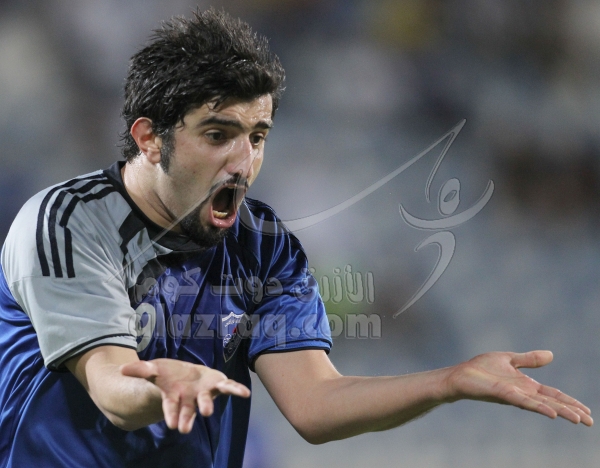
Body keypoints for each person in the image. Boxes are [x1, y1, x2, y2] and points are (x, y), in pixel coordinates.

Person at [0, 8, 592, 468]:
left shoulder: (262, 244)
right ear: (150, 139)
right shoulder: (66, 223)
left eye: (257, 136)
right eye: (217, 135)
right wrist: (165, 384)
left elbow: (314, 404)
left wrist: (447, 382)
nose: (243, 162)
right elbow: (112, 388)